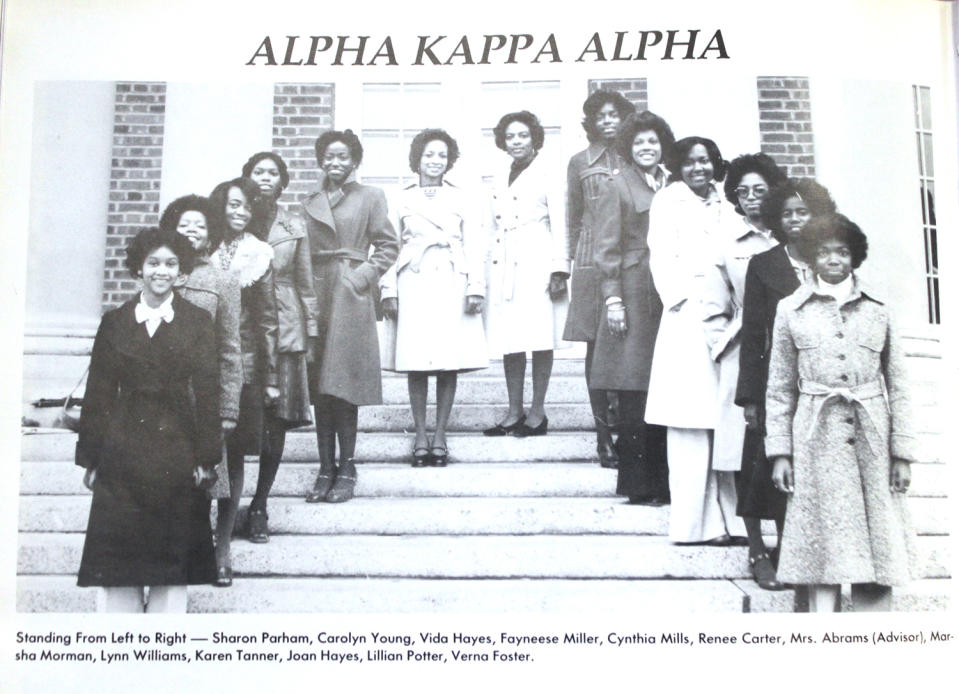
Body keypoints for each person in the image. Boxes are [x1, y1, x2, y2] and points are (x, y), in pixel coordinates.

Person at [766, 213, 918, 612]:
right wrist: (780, 452)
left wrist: (901, 452)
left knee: (878, 546)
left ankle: (874, 635)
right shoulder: (790, 310)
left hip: (872, 440)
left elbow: (899, 383)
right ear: (811, 259)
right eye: (824, 252)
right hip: (815, 441)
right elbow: (779, 389)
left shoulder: (879, 309)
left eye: (843, 251)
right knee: (823, 549)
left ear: (855, 257)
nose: (834, 259)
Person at [75, 227, 219, 612]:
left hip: (178, 447)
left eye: (171, 263)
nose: (162, 271)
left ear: (181, 270)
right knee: (118, 562)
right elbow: (99, 394)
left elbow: (208, 392)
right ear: (138, 268)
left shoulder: (198, 321)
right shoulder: (115, 321)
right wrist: (91, 458)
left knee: (171, 564)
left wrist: (206, 458)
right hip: (122, 447)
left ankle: (163, 648)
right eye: (153, 262)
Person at [735, 178, 837, 588]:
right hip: (773, 382)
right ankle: (757, 549)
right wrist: (749, 398)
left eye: (803, 212)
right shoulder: (764, 265)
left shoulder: (829, 261)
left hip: (818, 383)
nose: (795, 220)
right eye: (787, 213)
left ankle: (793, 549)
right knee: (760, 463)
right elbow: (753, 332)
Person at [645, 136, 746, 545]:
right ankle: (692, 526)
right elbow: (660, 255)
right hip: (686, 317)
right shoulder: (669, 201)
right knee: (689, 422)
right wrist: (683, 300)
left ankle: (731, 520)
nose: (698, 169)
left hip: (725, 318)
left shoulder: (728, 205)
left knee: (724, 420)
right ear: (678, 167)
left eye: (705, 161)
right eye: (689, 163)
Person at [701, 153, 786, 583]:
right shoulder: (727, 243)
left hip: (790, 358)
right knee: (745, 452)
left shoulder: (790, 236)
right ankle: (755, 549)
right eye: (742, 192)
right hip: (744, 356)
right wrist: (725, 345)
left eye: (760, 190)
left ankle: (789, 543)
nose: (751, 199)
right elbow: (713, 307)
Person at [302, 129, 399, 502]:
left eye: (343, 157)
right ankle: (325, 467)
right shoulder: (310, 200)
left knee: (343, 385)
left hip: (348, 295)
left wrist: (361, 278)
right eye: (329, 156)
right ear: (320, 160)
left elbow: (389, 245)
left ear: (355, 161)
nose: (335, 163)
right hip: (316, 293)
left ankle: (347, 467)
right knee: (320, 388)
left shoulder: (370, 196)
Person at [380, 129, 487, 466]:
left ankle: (439, 433)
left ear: (449, 161)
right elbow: (387, 246)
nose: (435, 161)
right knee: (415, 363)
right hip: (413, 280)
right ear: (417, 159)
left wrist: (475, 286)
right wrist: (388, 289)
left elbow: (475, 244)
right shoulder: (398, 196)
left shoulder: (463, 196)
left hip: (451, 280)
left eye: (442, 155)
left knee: (446, 363)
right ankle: (420, 433)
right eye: (429, 155)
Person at [590, 110, 673, 504]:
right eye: (639, 142)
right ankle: (639, 485)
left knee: (667, 385)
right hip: (634, 293)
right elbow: (606, 248)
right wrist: (613, 299)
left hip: (669, 293)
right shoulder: (617, 185)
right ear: (628, 147)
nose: (647, 148)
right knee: (635, 388)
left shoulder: (672, 185)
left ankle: (668, 482)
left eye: (653, 142)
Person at [241, 152, 318, 540]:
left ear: (283, 182)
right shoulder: (233, 218)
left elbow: (305, 283)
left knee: (276, 421)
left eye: (273, 173)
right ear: (247, 178)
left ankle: (259, 504)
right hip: (240, 326)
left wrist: (312, 333)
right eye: (259, 172)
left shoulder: (294, 225)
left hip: (285, 327)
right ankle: (226, 502)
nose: (266, 178)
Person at [208, 176, 279, 586]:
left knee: (233, 456)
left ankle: (222, 550)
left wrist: (269, 376)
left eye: (247, 207)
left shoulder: (259, 255)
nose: (239, 212)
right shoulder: (200, 248)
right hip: (197, 366)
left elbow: (267, 319)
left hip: (243, 366)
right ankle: (197, 539)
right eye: (233, 204)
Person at [483, 110, 569, 438]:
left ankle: (538, 411)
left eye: (523, 135)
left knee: (539, 335)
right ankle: (514, 410)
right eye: (510, 137)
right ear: (503, 142)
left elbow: (560, 220)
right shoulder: (500, 173)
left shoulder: (548, 171)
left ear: (534, 138)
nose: (517, 142)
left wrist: (560, 268)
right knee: (511, 338)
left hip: (538, 258)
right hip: (506, 262)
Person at [564, 90, 635, 467]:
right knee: (597, 348)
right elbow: (573, 217)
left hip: (633, 260)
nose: (609, 121)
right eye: (601, 115)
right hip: (592, 261)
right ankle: (603, 438)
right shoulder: (579, 162)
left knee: (629, 346)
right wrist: (570, 262)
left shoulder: (635, 157)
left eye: (615, 115)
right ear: (590, 122)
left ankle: (629, 432)